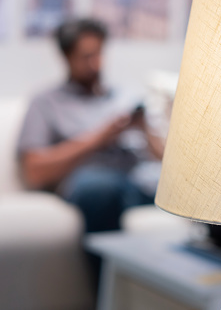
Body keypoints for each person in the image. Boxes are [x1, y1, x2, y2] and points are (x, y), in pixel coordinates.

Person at [17, 18, 158, 233]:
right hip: (94, 180)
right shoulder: (46, 103)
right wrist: (99, 138)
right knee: (98, 189)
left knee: (200, 184)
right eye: (86, 57)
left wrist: (145, 129)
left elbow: (165, 159)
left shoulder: (124, 96)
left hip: (139, 177)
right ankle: (112, 265)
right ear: (66, 57)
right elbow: (34, 171)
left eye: (99, 53)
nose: (96, 64)